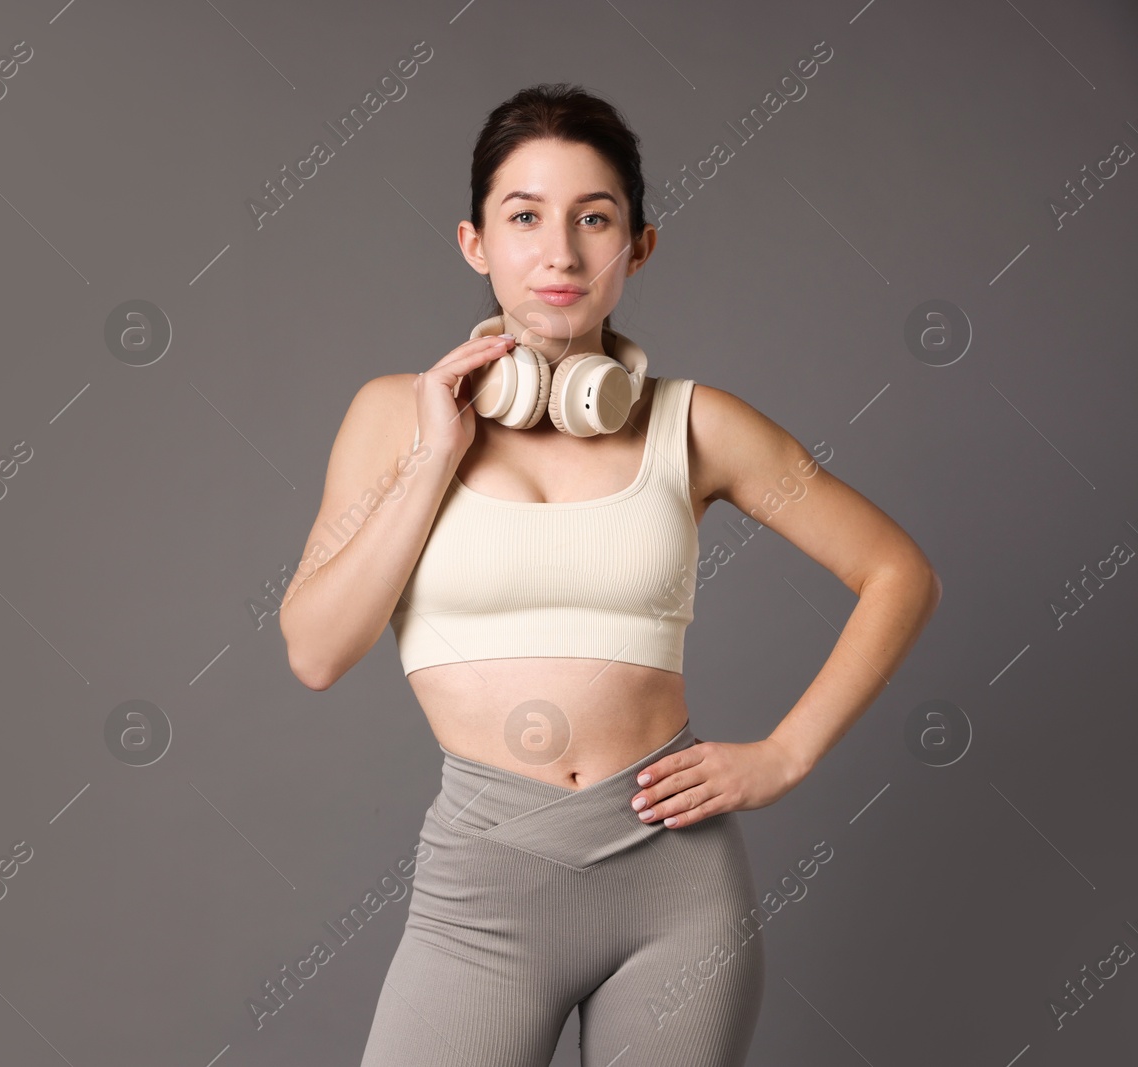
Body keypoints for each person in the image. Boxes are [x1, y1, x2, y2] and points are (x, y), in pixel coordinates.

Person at [277, 83, 940, 1067]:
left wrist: (786, 754)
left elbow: (896, 569)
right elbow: (317, 651)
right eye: (525, 216)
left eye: (595, 218)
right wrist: (432, 454)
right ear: (474, 243)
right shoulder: (390, 419)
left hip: (675, 892)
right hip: (481, 891)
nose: (560, 252)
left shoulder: (698, 423)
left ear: (638, 246)